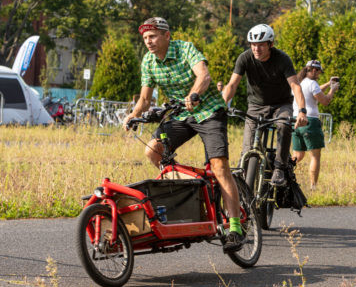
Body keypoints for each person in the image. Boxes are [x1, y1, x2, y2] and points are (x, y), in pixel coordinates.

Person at [123, 17, 245, 252]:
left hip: (208, 111)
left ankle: (236, 226)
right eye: (145, 38)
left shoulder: (185, 48)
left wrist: (193, 94)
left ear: (167, 36)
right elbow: (145, 99)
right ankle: (187, 189)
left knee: (219, 166)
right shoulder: (148, 61)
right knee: (153, 152)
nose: (148, 42)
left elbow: (204, 76)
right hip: (180, 115)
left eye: (153, 36)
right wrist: (134, 114)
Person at [223, 24, 308, 186]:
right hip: (256, 105)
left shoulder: (282, 59)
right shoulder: (244, 58)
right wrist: (221, 105)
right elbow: (232, 85)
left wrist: (302, 111)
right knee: (248, 148)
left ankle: (279, 168)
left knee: (284, 125)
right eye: (253, 44)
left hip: (281, 104)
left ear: (271, 44)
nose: (256, 48)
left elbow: (295, 86)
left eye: (261, 45)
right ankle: (245, 176)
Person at [292, 60, 339, 190]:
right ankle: (313, 187)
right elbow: (325, 101)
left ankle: (282, 174)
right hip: (310, 122)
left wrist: (329, 84)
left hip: (295, 121)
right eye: (319, 72)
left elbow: (315, 90)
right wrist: (333, 90)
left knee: (298, 156)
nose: (319, 75)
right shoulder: (313, 84)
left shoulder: (300, 82)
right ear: (314, 70)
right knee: (315, 156)